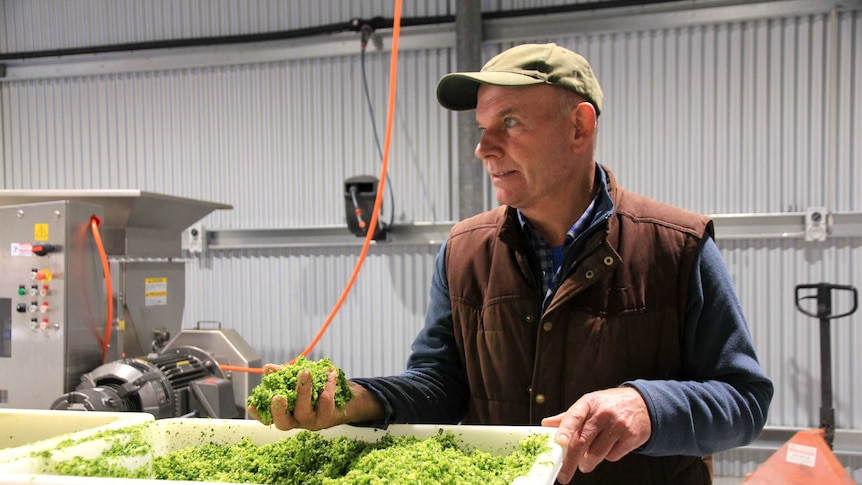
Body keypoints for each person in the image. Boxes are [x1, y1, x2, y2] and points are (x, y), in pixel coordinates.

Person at [250, 43, 774, 484]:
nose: (482, 148)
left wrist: (648, 407)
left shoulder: (676, 245)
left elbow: (745, 401)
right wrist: (358, 400)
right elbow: (441, 384)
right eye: (482, 126)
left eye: (510, 122)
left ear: (579, 127)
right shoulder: (465, 250)